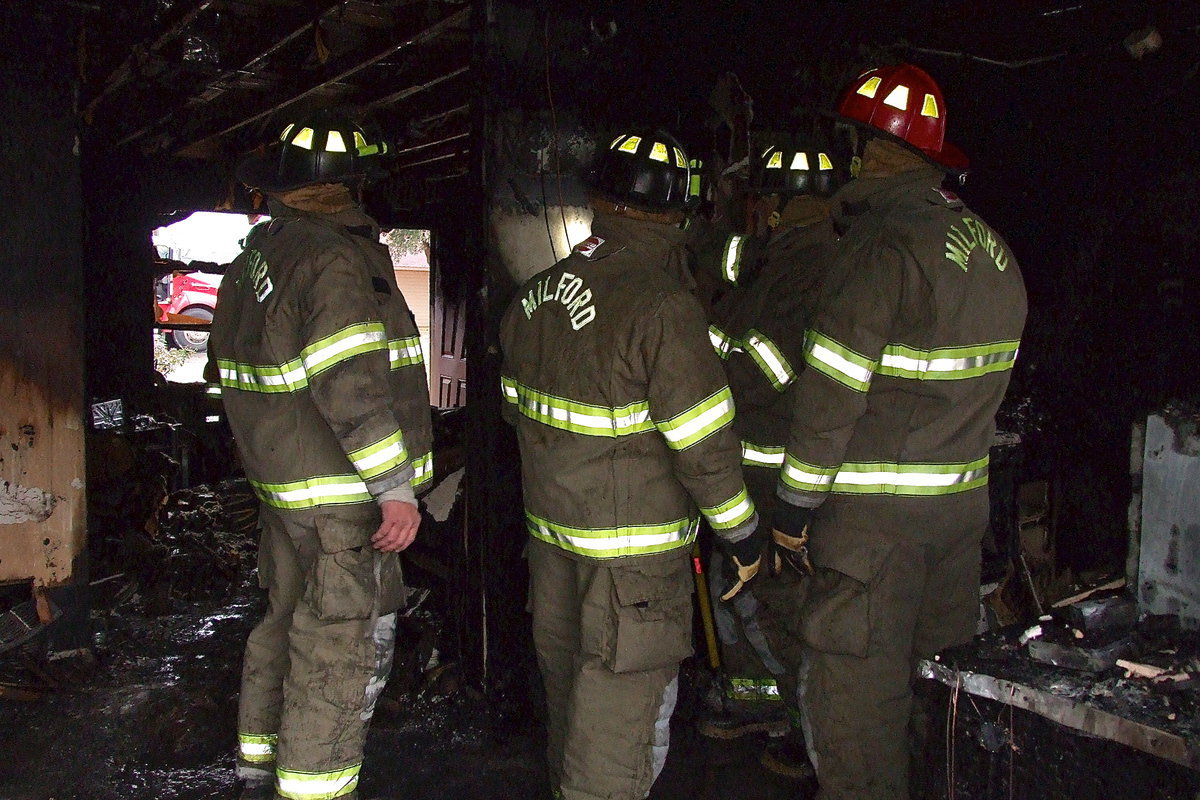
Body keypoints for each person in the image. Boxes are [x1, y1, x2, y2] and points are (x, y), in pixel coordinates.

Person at [769, 63, 1027, 799]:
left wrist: (793, 507)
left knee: (855, 718)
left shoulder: (882, 250)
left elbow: (832, 394)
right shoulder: (993, 251)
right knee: (939, 710)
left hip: (873, 540)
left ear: (867, 150)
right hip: (956, 527)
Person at [499, 128, 762, 800]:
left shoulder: (537, 296)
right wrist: (743, 536)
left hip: (555, 544)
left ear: (598, 198)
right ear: (680, 210)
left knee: (571, 711)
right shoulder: (663, 307)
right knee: (616, 730)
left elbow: (515, 413)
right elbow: (704, 444)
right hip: (634, 566)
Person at [211, 109, 434, 800]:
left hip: (283, 487)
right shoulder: (334, 259)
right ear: (350, 186)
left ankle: (258, 766)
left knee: (283, 621)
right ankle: (313, 788)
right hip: (340, 496)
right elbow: (350, 384)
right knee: (335, 650)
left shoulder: (255, 259)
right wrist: (395, 486)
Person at [690, 140, 845, 780]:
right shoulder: (781, 257)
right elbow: (723, 273)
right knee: (741, 591)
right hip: (754, 462)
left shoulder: (811, 269)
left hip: (779, 471)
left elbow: (771, 366)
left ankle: (813, 739)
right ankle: (757, 702)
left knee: (779, 603)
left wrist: (691, 376)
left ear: (774, 203)